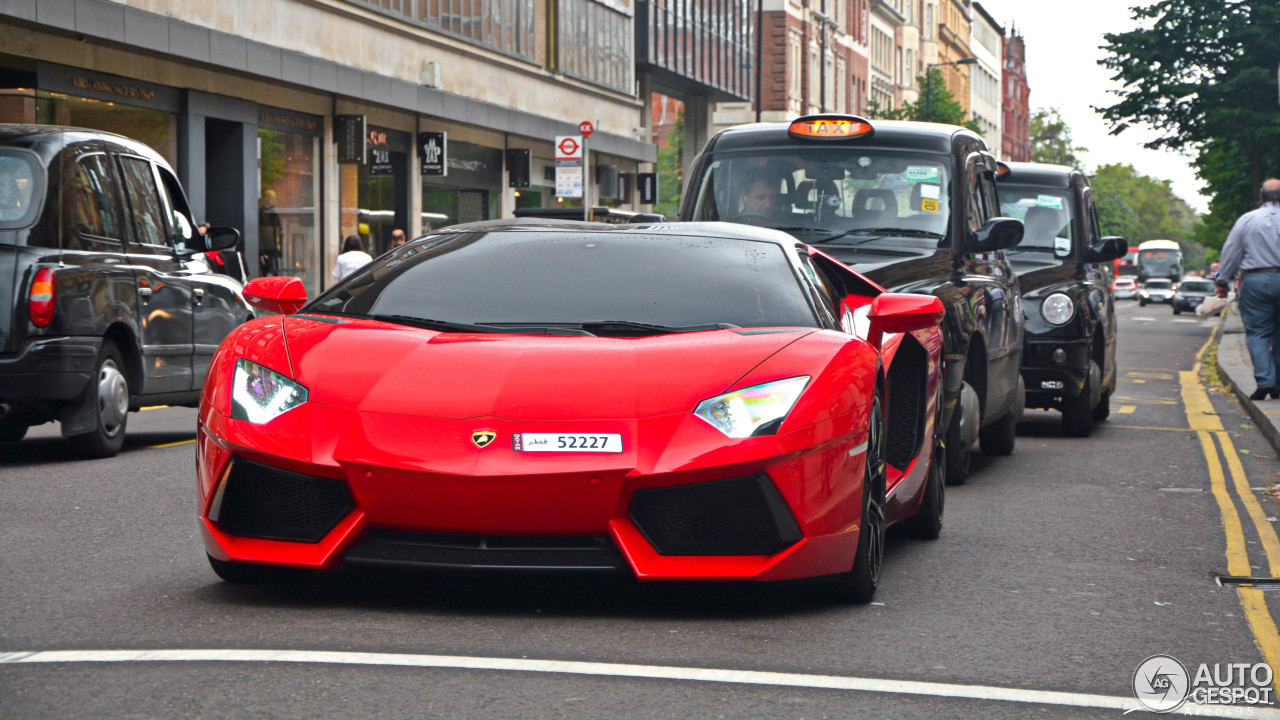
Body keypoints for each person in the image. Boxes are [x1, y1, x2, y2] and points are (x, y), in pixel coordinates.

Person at [1215, 178, 1280, 400]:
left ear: (1261, 196)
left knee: (1257, 333)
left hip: (1257, 280)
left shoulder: (1248, 219)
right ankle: (1278, 385)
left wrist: (1223, 282)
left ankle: (1265, 380)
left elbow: (1231, 252)